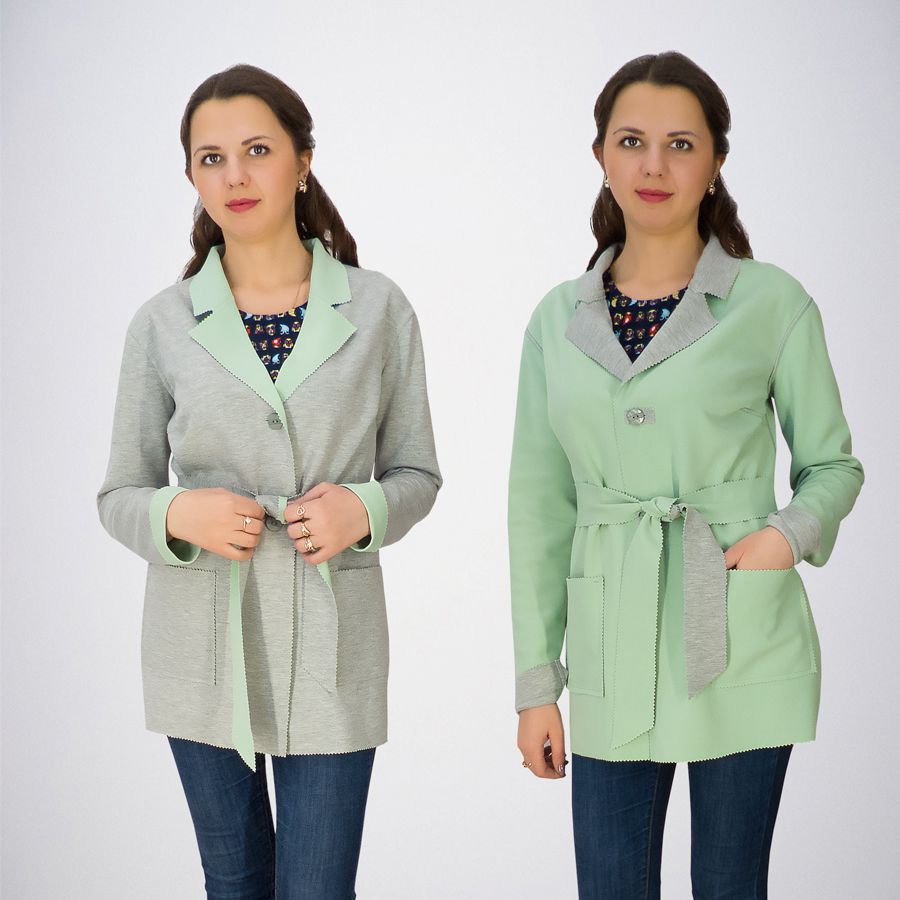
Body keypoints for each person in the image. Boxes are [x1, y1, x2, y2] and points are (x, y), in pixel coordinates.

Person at [508, 51, 863, 899]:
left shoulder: (771, 302)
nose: (655, 166)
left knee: (730, 885)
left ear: (716, 163)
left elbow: (832, 465)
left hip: (735, 625)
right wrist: (536, 685)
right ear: (601, 155)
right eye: (632, 141)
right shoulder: (556, 320)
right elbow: (537, 509)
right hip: (610, 639)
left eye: (681, 144)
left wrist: (785, 538)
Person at [97, 63, 441, 899]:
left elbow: (418, 473)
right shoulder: (162, 323)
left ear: (302, 160)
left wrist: (364, 507)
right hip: (199, 645)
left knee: (318, 888)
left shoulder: (379, 308)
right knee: (234, 884)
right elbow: (119, 494)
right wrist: (180, 514)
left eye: (257, 150)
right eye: (211, 158)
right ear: (191, 176)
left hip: (333, 642)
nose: (236, 176)